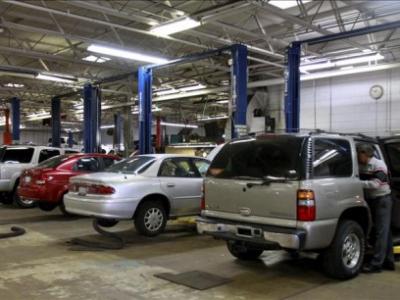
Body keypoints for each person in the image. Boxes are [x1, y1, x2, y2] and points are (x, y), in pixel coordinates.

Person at [357, 144, 395, 273]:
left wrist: (356, 183)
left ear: (365, 154)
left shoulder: (379, 165)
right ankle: (389, 261)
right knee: (385, 232)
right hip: (372, 201)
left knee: (381, 233)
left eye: (359, 154)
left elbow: (376, 184)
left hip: (382, 200)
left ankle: (376, 264)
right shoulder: (361, 165)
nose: (357, 156)